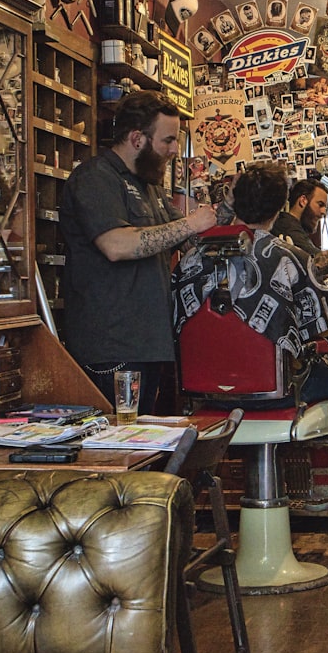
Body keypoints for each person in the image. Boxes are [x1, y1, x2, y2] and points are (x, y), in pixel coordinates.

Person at [60, 90, 218, 413]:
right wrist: (189, 225)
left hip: (148, 346)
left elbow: (187, 238)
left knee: (143, 448)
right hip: (111, 349)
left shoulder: (152, 189)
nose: (175, 150)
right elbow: (116, 245)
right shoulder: (95, 178)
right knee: (119, 451)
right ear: (136, 139)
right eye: (168, 141)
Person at [172, 163, 328, 419]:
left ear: (235, 201)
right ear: (279, 209)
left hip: (203, 393)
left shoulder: (190, 260)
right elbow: (318, 329)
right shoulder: (290, 258)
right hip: (278, 394)